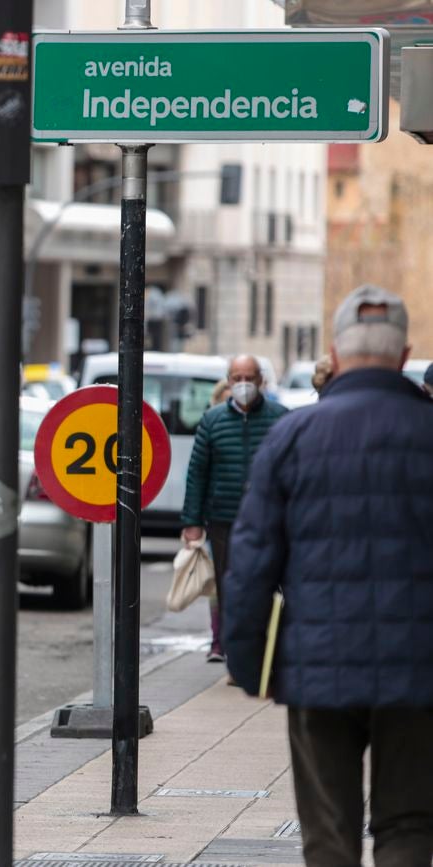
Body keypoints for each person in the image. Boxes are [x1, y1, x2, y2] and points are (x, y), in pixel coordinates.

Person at [223, 284, 433, 867]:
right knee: (411, 827)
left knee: (329, 837)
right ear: (404, 353)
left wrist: (248, 665)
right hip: (418, 671)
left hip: (318, 668)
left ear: (336, 357)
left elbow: (250, 566)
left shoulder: (293, 439)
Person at [181, 354, 288, 664]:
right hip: (223, 519)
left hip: (268, 518)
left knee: (269, 582)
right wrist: (192, 521)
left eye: (249, 378)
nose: (243, 385)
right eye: (237, 378)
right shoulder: (212, 420)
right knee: (229, 588)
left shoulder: (280, 418)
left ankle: (267, 648)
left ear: (261, 381)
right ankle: (235, 653)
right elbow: (197, 472)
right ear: (228, 381)